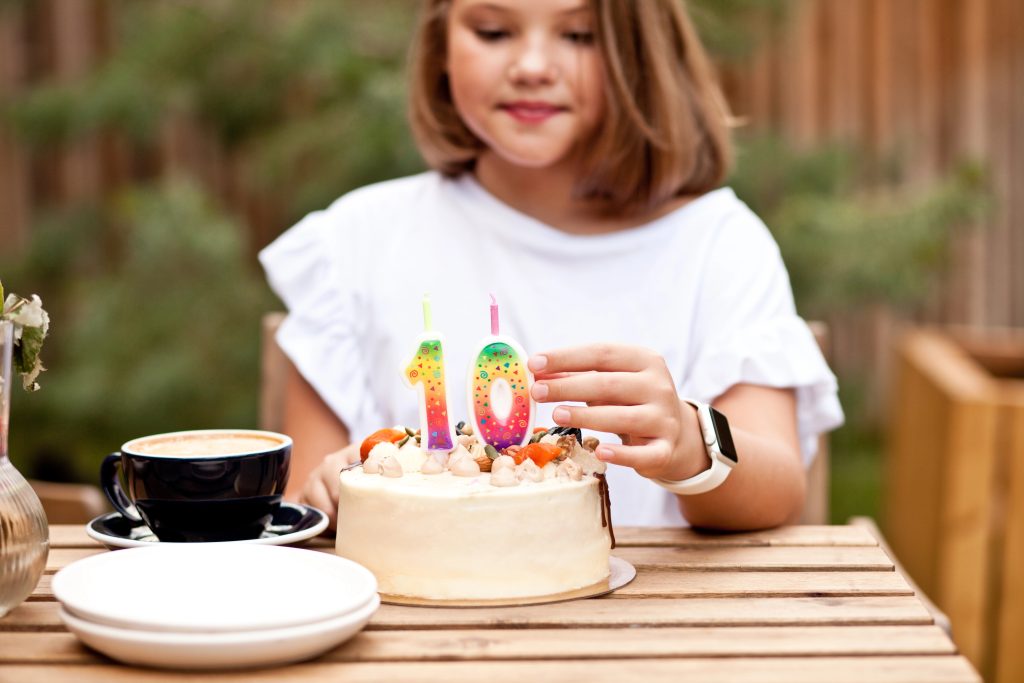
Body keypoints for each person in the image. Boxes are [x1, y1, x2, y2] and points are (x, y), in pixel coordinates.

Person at [259, 0, 843, 531]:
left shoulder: (718, 245)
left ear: (637, 55)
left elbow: (778, 490)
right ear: (440, 45)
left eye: (580, 35)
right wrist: (332, 492)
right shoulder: (357, 242)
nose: (533, 65)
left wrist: (688, 442)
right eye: (493, 31)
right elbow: (308, 506)